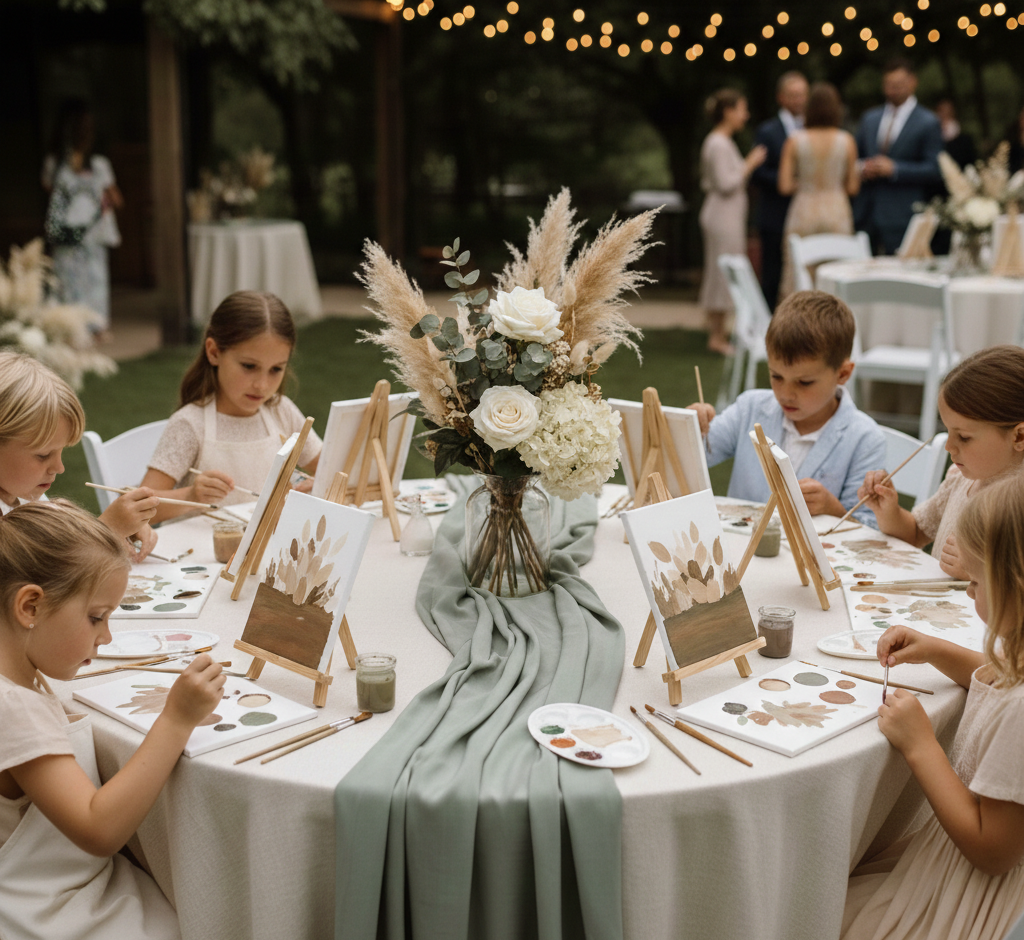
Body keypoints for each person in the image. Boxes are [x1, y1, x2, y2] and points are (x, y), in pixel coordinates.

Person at [0, 501, 225, 938]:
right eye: (96, 617)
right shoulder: (12, 706)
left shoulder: (19, 676)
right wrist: (176, 720)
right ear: (29, 607)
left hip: (68, 887)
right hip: (48, 911)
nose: (106, 637)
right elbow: (97, 828)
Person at [841, 474, 1024, 940]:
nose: (968, 594)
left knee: (828, 917)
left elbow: (992, 851)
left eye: (977, 582)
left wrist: (921, 745)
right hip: (950, 864)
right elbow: (999, 675)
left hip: (974, 896)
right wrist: (937, 649)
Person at [688, 290, 885, 524]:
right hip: (742, 552)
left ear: (842, 373)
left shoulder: (865, 439)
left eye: (804, 382)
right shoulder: (749, 409)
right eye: (776, 376)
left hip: (810, 560)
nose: (785, 394)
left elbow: (869, 529)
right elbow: (691, 457)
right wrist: (688, 427)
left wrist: (833, 509)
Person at [142, 291, 322, 521]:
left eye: (276, 369)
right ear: (214, 352)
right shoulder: (191, 424)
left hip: (269, 551)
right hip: (203, 553)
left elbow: (331, 469)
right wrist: (192, 495)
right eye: (249, 366)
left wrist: (311, 488)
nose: (262, 385)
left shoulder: (281, 411)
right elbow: (140, 506)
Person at [858, 345, 1024, 579]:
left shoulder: (1018, 504)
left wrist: (979, 572)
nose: (949, 447)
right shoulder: (959, 481)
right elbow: (915, 533)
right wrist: (889, 511)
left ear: (1019, 436)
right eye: (947, 431)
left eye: (964, 437)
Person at [0, 351, 158, 560]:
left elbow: (54, 548)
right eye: (43, 455)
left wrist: (120, 527)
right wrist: (106, 531)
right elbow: (36, 574)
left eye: (61, 451)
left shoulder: (22, 495)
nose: (59, 467)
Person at [42, 99, 122, 338]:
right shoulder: (59, 164)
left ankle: (91, 327)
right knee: (72, 282)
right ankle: (74, 328)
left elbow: (115, 199)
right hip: (70, 236)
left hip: (89, 235)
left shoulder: (95, 165)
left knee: (88, 281)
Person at [698, 89, 767, 355]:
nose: (745, 115)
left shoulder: (722, 142)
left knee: (723, 273)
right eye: (741, 109)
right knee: (721, 274)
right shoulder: (717, 143)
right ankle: (716, 336)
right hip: (721, 216)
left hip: (727, 216)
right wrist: (749, 164)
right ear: (728, 112)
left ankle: (719, 331)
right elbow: (726, 183)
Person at [777, 82, 860, 299]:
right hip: (837, 212)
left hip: (803, 211)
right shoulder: (847, 141)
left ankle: (796, 327)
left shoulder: (794, 141)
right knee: (837, 273)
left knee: (799, 274)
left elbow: (784, 186)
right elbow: (852, 187)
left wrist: (806, 184)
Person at [855, 58, 943, 255]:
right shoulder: (870, 118)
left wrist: (895, 169)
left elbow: (935, 169)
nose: (893, 90)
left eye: (899, 85)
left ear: (913, 82)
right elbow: (856, 157)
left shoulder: (927, 122)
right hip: (867, 213)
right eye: (889, 85)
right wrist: (862, 168)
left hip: (903, 214)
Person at [753, 71, 809, 311]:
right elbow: (758, 173)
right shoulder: (767, 131)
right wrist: (788, 181)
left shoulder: (813, 128)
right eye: (794, 95)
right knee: (772, 277)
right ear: (781, 98)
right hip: (775, 214)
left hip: (807, 214)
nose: (799, 100)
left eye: (802, 95)